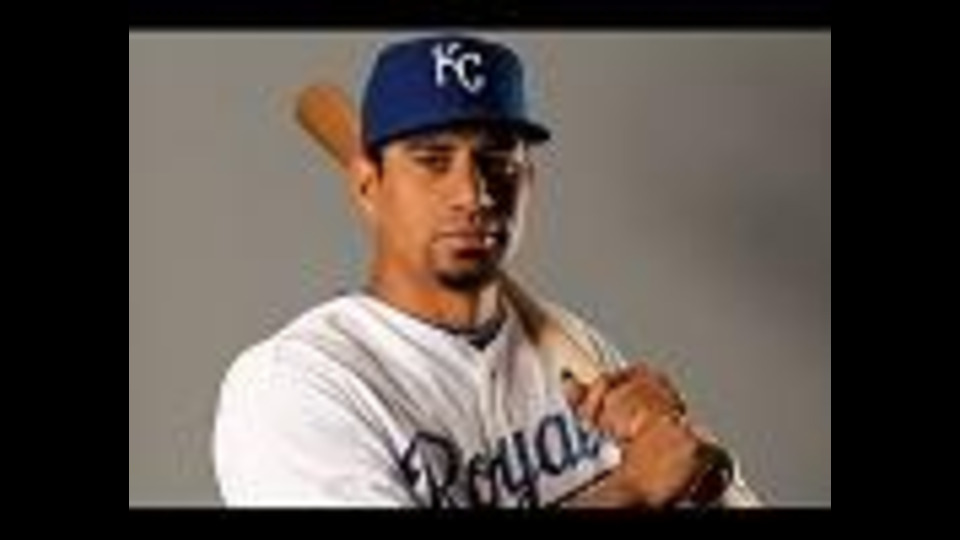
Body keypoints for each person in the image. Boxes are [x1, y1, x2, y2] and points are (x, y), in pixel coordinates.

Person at [212, 34, 761, 508]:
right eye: (433, 161)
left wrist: (704, 473)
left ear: (529, 181)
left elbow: (681, 477)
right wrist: (630, 491)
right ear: (368, 185)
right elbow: (644, 486)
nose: (473, 194)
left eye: (498, 160)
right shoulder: (298, 384)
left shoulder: (581, 352)